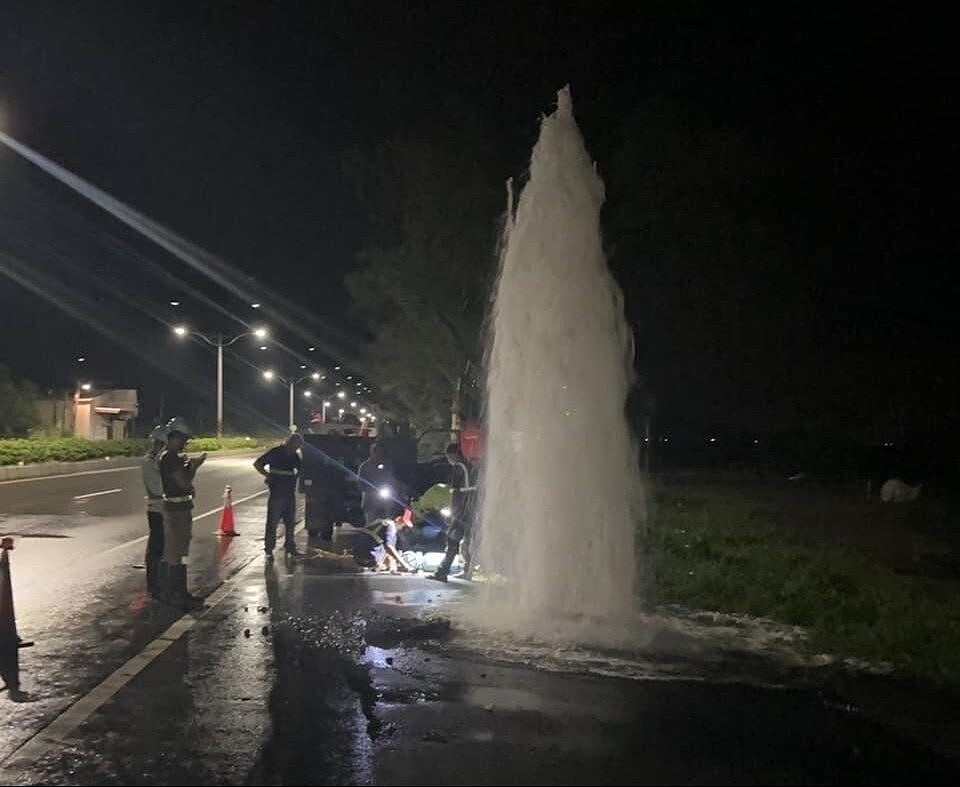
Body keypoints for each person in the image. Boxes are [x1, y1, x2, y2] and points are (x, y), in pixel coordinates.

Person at [159, 417, 207, 609]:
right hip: (175, 512)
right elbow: (184, 483)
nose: (185, 443)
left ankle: (180, 591)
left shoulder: (174, 458)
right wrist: (194, 466)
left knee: (182, 553)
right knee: (175, 554)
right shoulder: (169, 458)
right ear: (174, 437)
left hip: (181, 509)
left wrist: (189, 467)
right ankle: (174, 594)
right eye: (183, 439)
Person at [429, 442, 477, 582]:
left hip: (462, 511)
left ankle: (442, 572)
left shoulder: (459, 467)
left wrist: (454, 513)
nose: (449, 459)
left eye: (449, 456)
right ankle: (467, 570)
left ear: (454, 455)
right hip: (470, 510)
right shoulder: (469, 466)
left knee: (452, 539)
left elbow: (458, 493)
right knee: (467, 540)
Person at [254, 433, 304, 557]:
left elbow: (301, 470)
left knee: (290, 522)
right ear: (290, 443)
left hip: (289, 493)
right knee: (273, 522)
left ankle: (290, 546)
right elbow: (258, 463)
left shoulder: (294, 456)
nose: (297, 448)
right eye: (296, 445)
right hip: (277, 492)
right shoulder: (276, 452)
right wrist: (267, 475)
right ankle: (269, 548)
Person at [141, 425, 167, 600]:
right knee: (156, 548)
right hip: (157, 509)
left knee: (161, 548)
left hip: (163, 509)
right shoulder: (150, 462)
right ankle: (153, 584)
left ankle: (159, 583)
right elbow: (156, 488)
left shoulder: (157, 460)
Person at [356, 442, 399, 525]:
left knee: (387, 522)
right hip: (370, 500)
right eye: (376, 452)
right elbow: (360, 483)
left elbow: (391, 479)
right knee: (371, 523)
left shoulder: (387, 465)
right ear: (372, 452)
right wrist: (370, 490)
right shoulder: (365, 466)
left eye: (381, 452)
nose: (379, 454)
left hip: (385, 500)